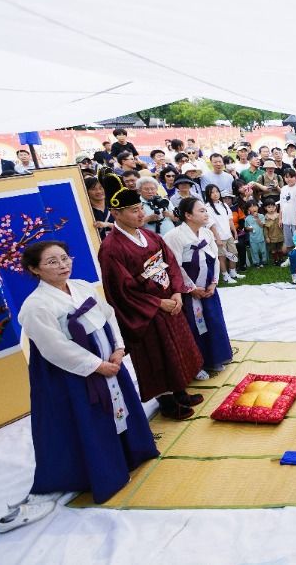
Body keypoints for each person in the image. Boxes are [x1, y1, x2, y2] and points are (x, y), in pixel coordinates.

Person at [0, 241, 157, 530]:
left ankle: (130, 452)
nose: (63, 265)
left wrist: (119, 349)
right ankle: (101, 471)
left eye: (64, 258)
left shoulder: (83, 287)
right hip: (73, 374)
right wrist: (96, 366)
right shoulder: (36, 306)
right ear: (35, 270)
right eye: (52, 262)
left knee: (119, 411)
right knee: (89, 419)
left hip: (110, 362)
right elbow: (55, 348)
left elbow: (108, 318)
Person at [95, 169, 204, 420]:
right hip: (147, 311)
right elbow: (121, 290)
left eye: (140, 209)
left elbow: (171, 263)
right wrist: (158, 303)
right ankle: (167, 402)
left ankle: (180, 391)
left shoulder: (150, 235)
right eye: (134, 211)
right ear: (115, 214)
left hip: (169, 301)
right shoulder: (111, 248)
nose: (140, 214)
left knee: (178, 348)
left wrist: (177, 292)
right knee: (157, 356)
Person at [163, 197, 234, 377]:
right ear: (188, 215)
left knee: (213, 320)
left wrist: (214, 282)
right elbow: (175, 266)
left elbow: (215, 259)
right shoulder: (174, 236)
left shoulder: (206, 233)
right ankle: (197, 364)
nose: (205, 213)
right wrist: (191, 288)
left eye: (205, 210)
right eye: (201, 211)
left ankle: (215, 358)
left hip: (208, 286)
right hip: (189, 291)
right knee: (194, 326)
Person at [204, 184, 241, 283]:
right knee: (222, 257)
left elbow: (230, 220)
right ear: (208, 194)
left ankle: (233, 272)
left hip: (228, 235)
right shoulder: (207, 208)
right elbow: (211, 225)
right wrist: (218, 239)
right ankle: (225, 275)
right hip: (218, 237)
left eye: (217, 191)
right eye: (212, 192)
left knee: (234, 253)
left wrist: (234, 232)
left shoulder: (224, 205)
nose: (215, 194)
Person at [278, 168, 296, 265]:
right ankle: (290, 259)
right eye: (287, 177)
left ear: (295, 177)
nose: (289, 179)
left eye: (291, 177)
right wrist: (280, 218)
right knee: (288, 242)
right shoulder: (284, 189)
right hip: (286, 221)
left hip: (295, 221)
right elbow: (281, 205)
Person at [244, 202, 268, 267]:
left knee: (263, 250)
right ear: (248, 209)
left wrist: (257, 218)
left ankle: (264, 260)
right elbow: (246, 227)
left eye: (255, 206)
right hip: (253, 238)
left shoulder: (261, 216)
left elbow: (262, 225)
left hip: (261, 237)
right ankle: (256, 262)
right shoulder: (247, 218)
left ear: (258, 207)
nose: (253, 208)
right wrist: (249, 229)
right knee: (254, 251)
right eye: (251, 207)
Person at [262, 201, 285, 266]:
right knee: (273, 249)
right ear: (265, 208)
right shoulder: (265, 218)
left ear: (275, 207)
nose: (271, 208)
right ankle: (275, 260)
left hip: (280, 235)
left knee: (280, 248)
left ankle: (281, 259)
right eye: (269, 207)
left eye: (273, 207)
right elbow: (265, 229)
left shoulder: (279, 216)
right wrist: (267, 237)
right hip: (271, 237)